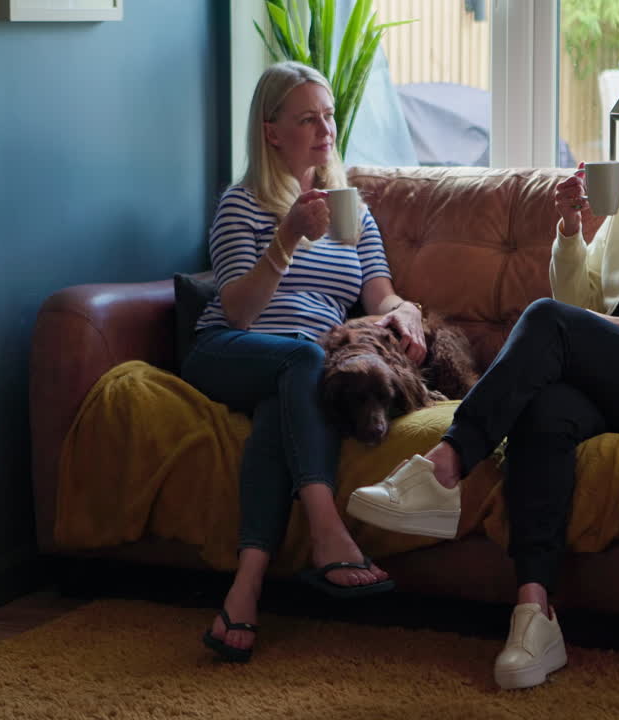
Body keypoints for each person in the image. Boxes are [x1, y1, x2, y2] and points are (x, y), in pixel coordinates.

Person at [347, 69, 619, 689]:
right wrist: (569, 234)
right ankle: (535, 613)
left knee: (547, 323)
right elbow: (582, 297)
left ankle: (446, 467)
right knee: (545, 407)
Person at [183, 60, 427, 663]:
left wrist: (407, 311)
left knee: (284, 407)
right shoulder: (242, 204)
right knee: (300, 360)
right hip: (229, 352)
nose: (325, 130)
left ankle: (243, 595)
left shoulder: (353, 210)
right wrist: (286, 237)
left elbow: (378, 293)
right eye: (307, 119)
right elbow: (237, 311)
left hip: (300, 370)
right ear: (272, 132)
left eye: (329, 117)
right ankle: (326, 532)